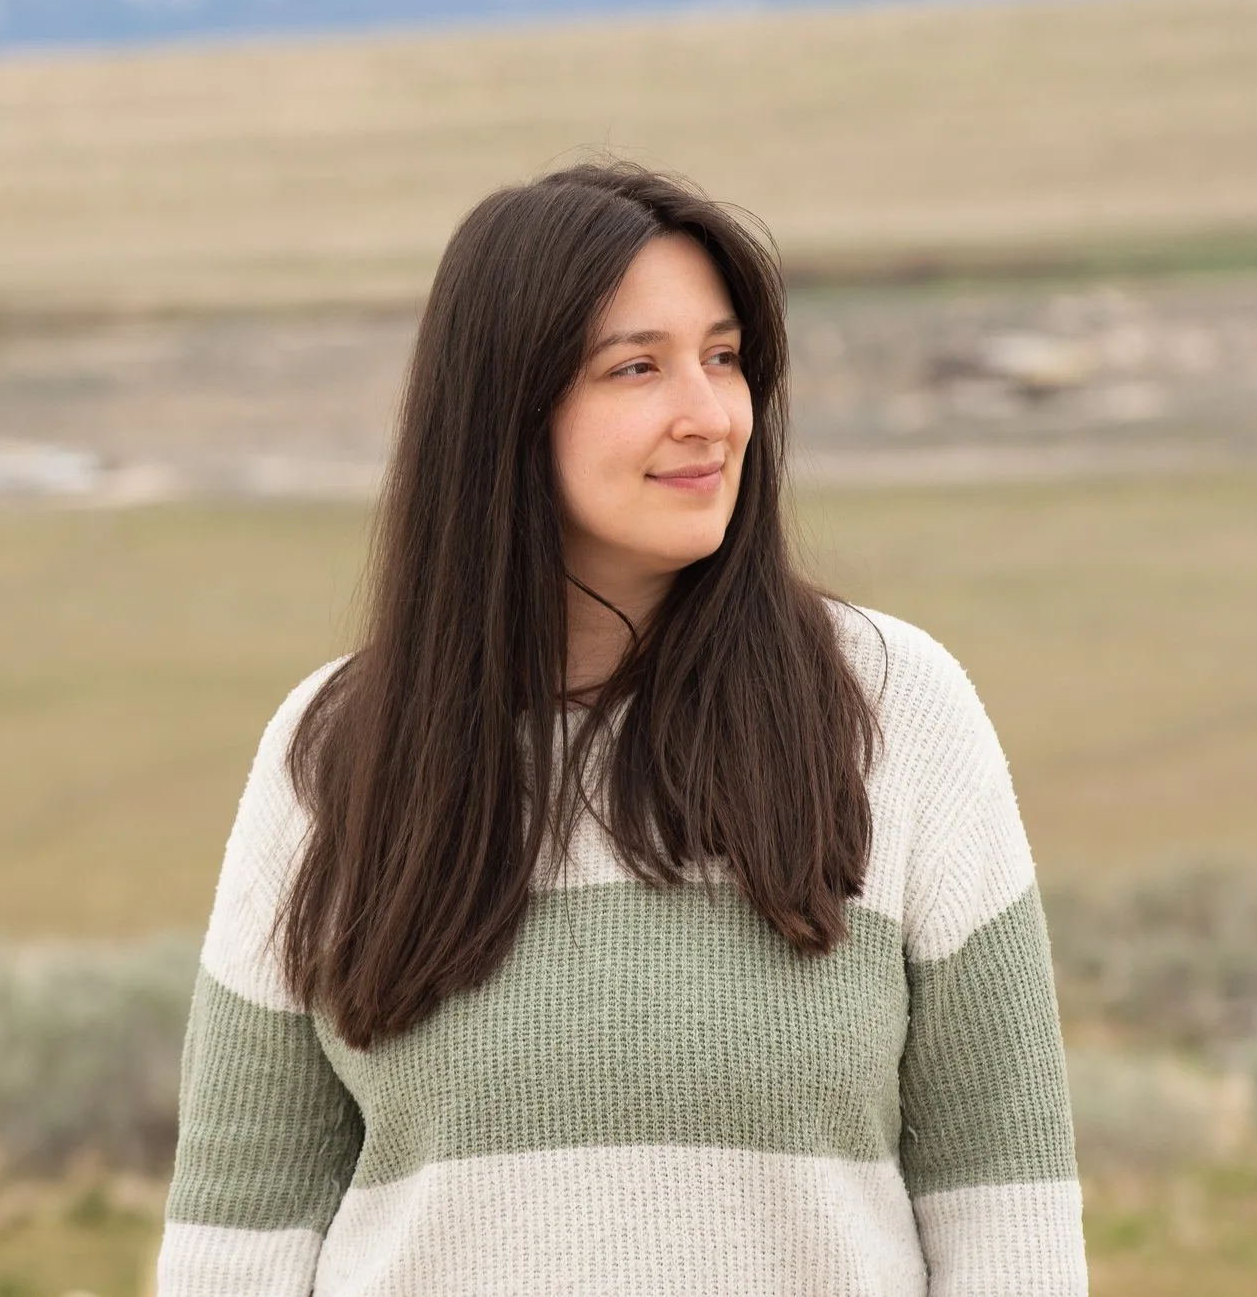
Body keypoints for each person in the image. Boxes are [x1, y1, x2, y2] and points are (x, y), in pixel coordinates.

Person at [156, 163, 1084, 1296]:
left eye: (726, 356)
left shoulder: (893, 708)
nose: (708, 412)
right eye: (636, 366)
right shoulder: (335, 753)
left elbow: (1006, 1207)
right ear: (505, 409)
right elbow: (237, 1238)